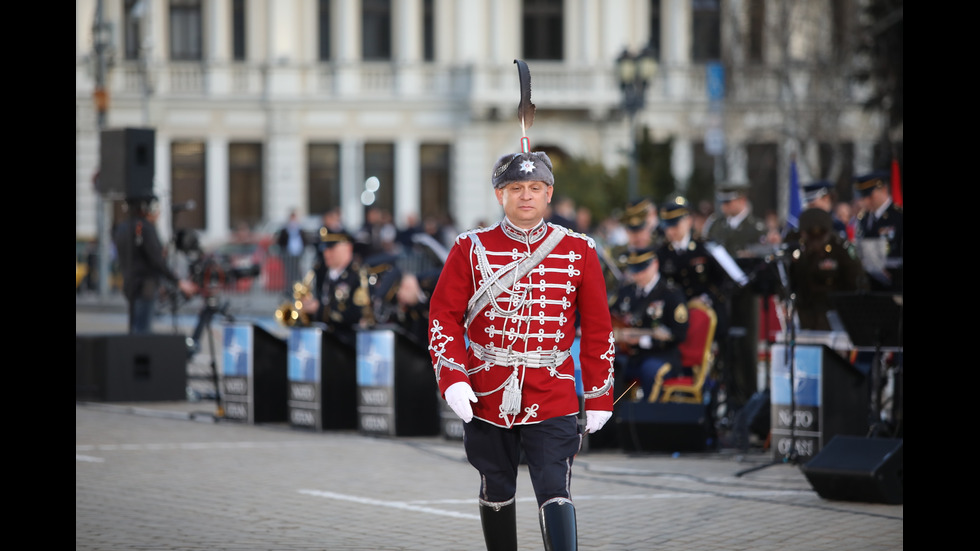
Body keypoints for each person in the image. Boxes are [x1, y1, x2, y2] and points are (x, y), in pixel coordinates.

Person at [427, 148, 615, 551]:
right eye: (516, 188)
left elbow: (598, 329)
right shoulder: (469, 247)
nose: (525, 195)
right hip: (487, 389)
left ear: (549, 193)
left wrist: (599, 394)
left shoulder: (579, 250)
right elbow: (443, 316)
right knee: (496, 485)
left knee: (554, 486)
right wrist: (454, 378)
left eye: (535, 187)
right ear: (500, 195)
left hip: (552, 389)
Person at [703, 181, 767, 409]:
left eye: (729, 201)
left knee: (746, 351)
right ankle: (730, 402)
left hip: (746, 297)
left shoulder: (756, 228)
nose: (724, 206)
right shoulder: (716, 226)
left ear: (742, 200)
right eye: (722, 202)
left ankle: (748, 403)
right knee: (725, 350)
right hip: (722, 296)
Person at [609, 246, 689, 401]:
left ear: (655, 264)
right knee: (610, 367)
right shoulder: (627, 291)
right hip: (630, 355)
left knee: (650, 371)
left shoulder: (671, 293)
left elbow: (679, 333)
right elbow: (611, 317)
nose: (638, 275)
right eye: (634, 270)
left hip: (662, 355)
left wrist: (642, 340)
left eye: (642, 269)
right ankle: (613, 419)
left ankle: (648, 420)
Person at [113, 195, 198, 334]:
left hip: (130, 284)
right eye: (156, 209)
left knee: (135, 328)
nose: (158, 214)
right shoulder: (145, 228)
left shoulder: (123, 227)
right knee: (142, 330)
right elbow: (156, 260)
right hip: (145, 285)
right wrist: (178, 282)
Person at [785, 208, 868, 331]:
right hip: (806, 314)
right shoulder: (797, 249)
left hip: (835, 314)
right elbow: (790, 280)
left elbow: (857, 282)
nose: (815, 243)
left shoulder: (840, 249)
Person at [301, 229, 370, 348]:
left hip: (346, 344)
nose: (326, 253)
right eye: (325, 249)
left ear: (347, 247)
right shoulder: (321, 273)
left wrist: (320, 309)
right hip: (324, 341)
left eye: (331, 248)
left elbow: (356, 315)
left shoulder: (358, 276)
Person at [853, 171, 903, 293]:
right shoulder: (864, 219)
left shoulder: (898, 217)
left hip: (894, 285)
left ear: (883, 190)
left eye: (869, 195)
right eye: (863, 196)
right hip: (870, 286)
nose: (865, 201)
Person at [277, 209, 311, 295]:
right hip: (288, 254)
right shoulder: (285, 230)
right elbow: (281, 241)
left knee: (298, 272)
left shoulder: (300, 229)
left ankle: (298, 289)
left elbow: (304, 240)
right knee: (289, 273)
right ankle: (290, 289)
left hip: (298, 254)